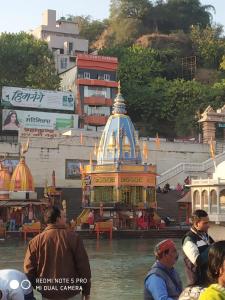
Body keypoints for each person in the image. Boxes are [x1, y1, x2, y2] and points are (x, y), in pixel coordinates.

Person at [24, 206, 91, 300]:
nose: (66, 219)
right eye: (64, 216)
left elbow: (29, 272)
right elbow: (84, 268)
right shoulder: (74, 238)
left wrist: (42, 288)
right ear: (58, 219)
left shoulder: (35, 242)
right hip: (72, 293)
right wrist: (86, 292)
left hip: (48, 294)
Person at [182, 209, 214, 286]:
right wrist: (212, 247)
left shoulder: (205, 236)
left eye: (208, 222)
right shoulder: (189, 240)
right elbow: (198, 261)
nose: (208, 225)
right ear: (196, 224)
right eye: (205, 223)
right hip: (197, 283)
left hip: (208, 280)